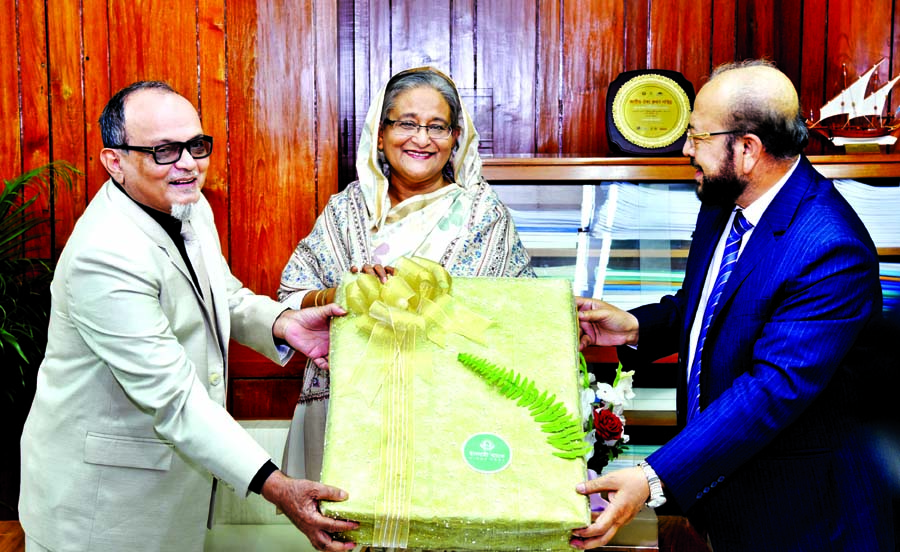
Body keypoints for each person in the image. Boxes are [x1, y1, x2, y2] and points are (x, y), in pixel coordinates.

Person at [18, 81, 358, 552]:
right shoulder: (104, 255)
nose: (188, 164)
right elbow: (174, 399)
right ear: (114, 162)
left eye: (196, 145)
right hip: (101, 509)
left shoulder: (186, 204)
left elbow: (224, 295)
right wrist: (278, 487)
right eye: (163, 150)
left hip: (171, 490)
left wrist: (284, 323)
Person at [571, 60, 894, 551]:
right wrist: (634, 327)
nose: (686, 151)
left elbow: (773, 388)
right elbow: (710, 307)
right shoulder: (724, 201)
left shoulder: (829, 247)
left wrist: (650, 477)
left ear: (746, 149)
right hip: (720, 502)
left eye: (697, 137)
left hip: (799, 518)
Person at [278, 66, 535, 482]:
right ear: (380, 134)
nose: (421, 139)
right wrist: (343, 292)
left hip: (447, 408)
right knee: (348, 530)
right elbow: (290, 296)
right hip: (351, 407)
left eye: (437, 127)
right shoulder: (346, 210)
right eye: (406, 124)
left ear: (456, 139)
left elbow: (516, 314)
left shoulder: (483, 215)